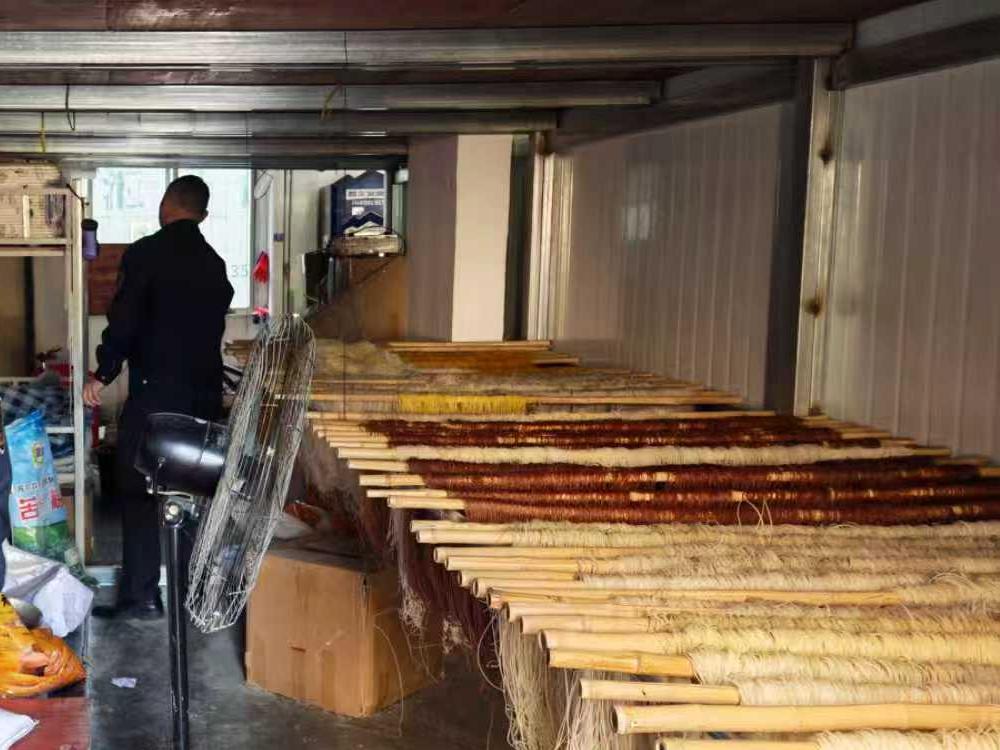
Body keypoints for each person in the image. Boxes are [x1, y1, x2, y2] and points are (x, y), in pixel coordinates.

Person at [84, 175, 234, 620]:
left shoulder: (146, 253)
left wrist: (103, 372)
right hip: (204, 402)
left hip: (155, 400)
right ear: (203, 214)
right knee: (191, 496)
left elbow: (125, 321)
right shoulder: (215, 263)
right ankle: (193, 597)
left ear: (166, 205)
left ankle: (142, 597)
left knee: (137, 491)